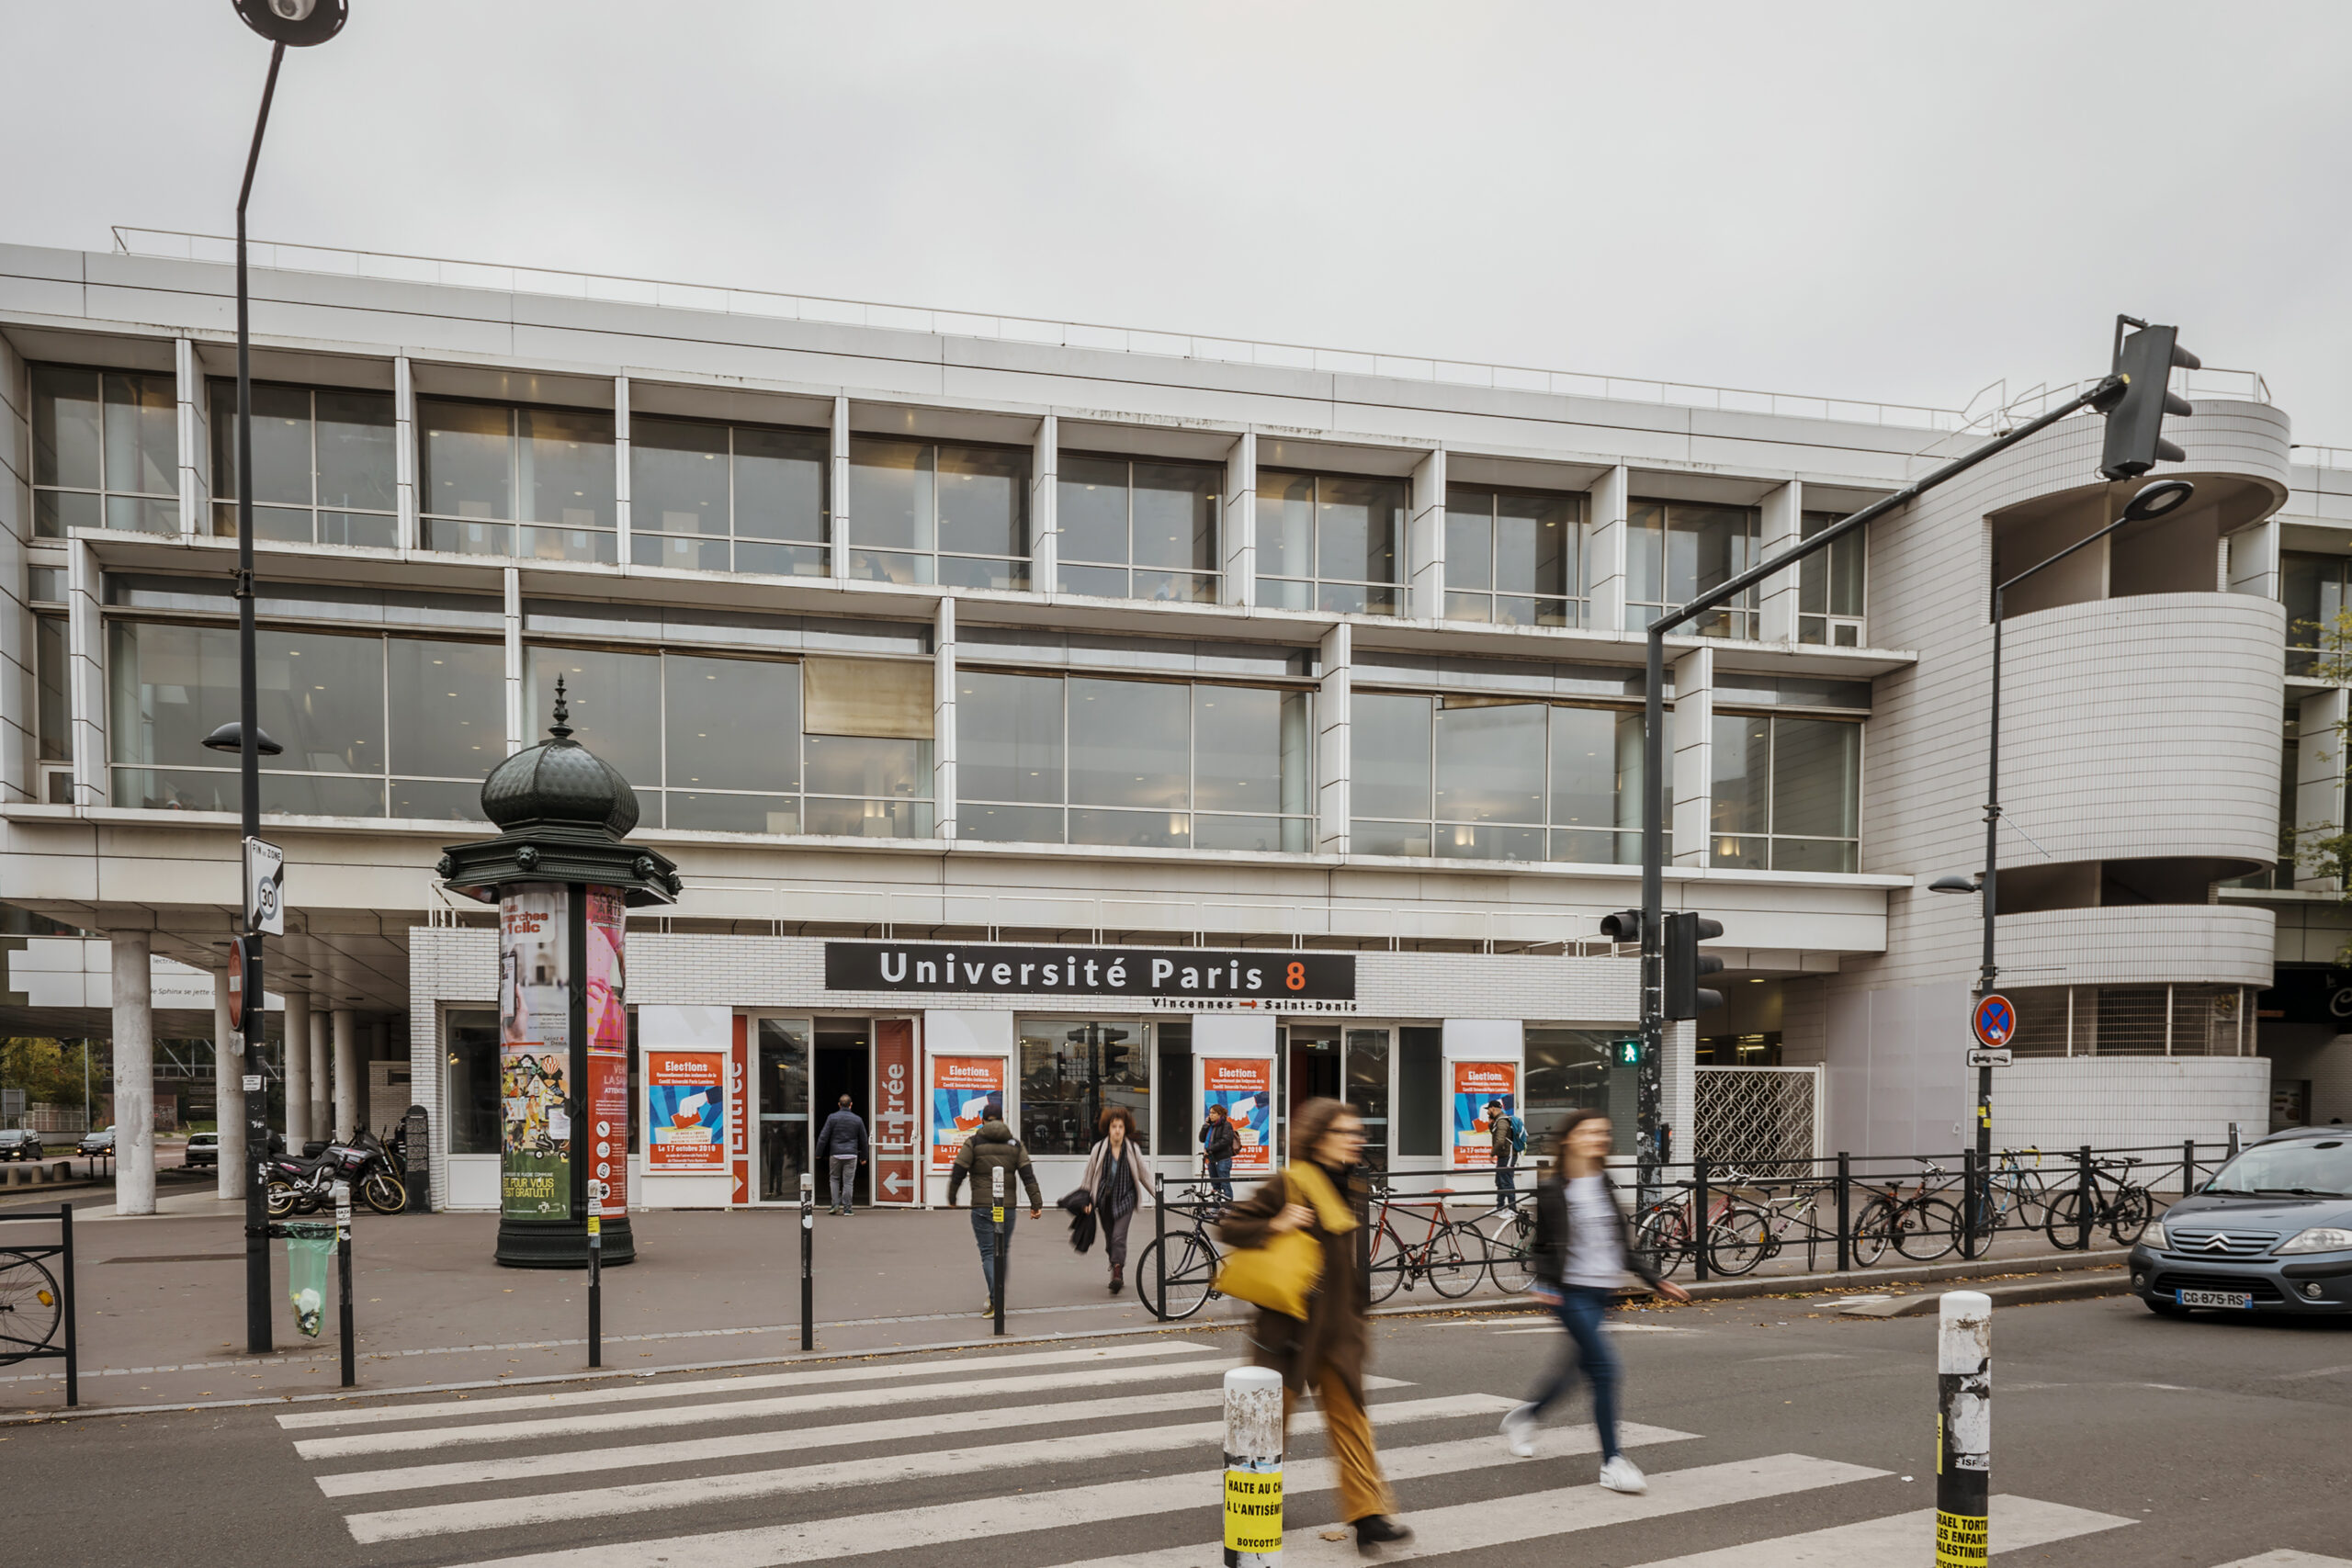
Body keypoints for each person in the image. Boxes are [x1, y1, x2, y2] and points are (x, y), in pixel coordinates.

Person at [1220, 1097, 1412, 1556]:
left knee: (1352, 1425)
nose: (1356, 1140)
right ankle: (1247, 1508)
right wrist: (1278, 1222)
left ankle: (1368, 1517)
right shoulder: (1290, 1183)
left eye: (1357, 1133)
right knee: (1268, 1429)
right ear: (1319, 1138)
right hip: (1287, 1332)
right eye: (1346, 1132)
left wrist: (1358, 1321)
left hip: (1337, 1332)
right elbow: (1230, 1225)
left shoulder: (1353, 1185)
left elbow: (1349, 1266)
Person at [1499, 1107, 1690, 1492]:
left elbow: (1621, 1245)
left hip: (1602, 1293)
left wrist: (1655, 1280)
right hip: (1570, 1294)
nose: (1598, 1139)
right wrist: (1545, 1283)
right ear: (1570, 1139)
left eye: (1602, 1133)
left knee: (1575, 1371)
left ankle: (1527, 1416)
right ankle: (1612, 1462)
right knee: (1605, 1370)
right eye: (1589, 1132)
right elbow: (1542, 1244)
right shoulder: (1554, 1189)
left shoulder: (1603, 1182)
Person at [946, 1109, 1044, 1314]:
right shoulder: (1015, 1144)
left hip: (982, 1207)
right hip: (1006, 1208)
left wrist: (952, 1197)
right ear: (1001, 1119)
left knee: (989, 1252)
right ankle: (997, 1295)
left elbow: (958, 1171)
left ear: (982, 1121)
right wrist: (1036, 1203)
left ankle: (996, 1299)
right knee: (1003, 1251)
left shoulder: (973, 1143)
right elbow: (1028, 1175)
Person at [1077, 1105, 1156, 1294]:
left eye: (1120, 1126)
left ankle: (1117, 1273)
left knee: (1119, 1237)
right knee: (1110, 1240)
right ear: (1108, 1128)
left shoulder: (1132, 1149)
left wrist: (1161, 1197)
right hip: (1104, 1202)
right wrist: (1085, 1200)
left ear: (1126, 1128)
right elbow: (1088, 1176)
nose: (1117, 1130)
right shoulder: (1099, 1149)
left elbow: (1145, 1176)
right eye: (1114, 1126)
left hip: (1125, 1200)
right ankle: (1115, 1263)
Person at [815, 1093, 868, 1215]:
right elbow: (863, 1140)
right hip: (851, 1155)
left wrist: (819, 1153)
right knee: (848, 1182)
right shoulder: (857, 1119)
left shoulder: (832, 1118)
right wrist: (864, 1157)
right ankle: (847, 1209)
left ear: (839, 1105)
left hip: (836, 1154)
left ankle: (835, 1204)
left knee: (834, 1179)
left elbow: (823, 1137)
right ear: (851, 1105)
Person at [1200, 1101, 1239, 1205]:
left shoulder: (1226, 1125)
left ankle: (1228, 1208)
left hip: (1223, 1159)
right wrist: (1205, 1126)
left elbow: (1225, 1141)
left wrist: (1209, 1149)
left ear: (1219, 1114)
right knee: (1215, 1186)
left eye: (1213, 1113)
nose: (1211, 1115)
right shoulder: (1210, 1126)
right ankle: (1217, 1207)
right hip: (1212, 1159)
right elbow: (1201, 1139)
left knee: (1225, 1184)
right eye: (1210, 1113)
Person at [1487, 1098, 1521, 1213]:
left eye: (1488, 1110)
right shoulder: (1498, 1121)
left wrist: (1492, 1154)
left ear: (1492, 1109)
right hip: (1503, 1155)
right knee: (1500, 1181)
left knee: (1506, 1181)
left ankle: (1513, 1210)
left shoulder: (1502, 1121)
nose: (1487, 1112)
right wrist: (1490, 1124)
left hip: (1508, 1155)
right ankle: (1500, 1207)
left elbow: (1500, 1141)